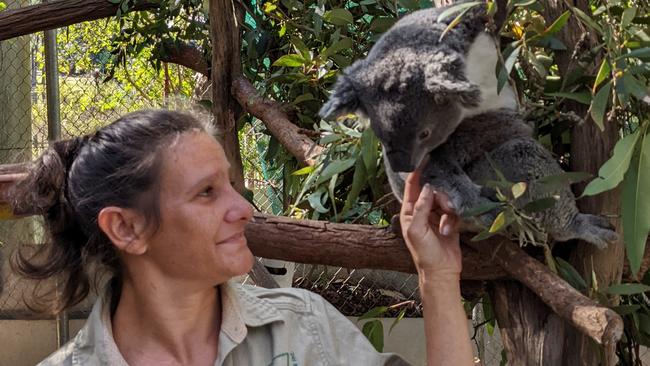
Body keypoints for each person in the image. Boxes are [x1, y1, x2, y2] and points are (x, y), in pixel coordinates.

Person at [10, 109, 474, 366]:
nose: (244, 209)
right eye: (207, 193)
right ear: (127, 228)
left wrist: (436, 274)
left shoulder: (304, 328)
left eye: (231, 183)